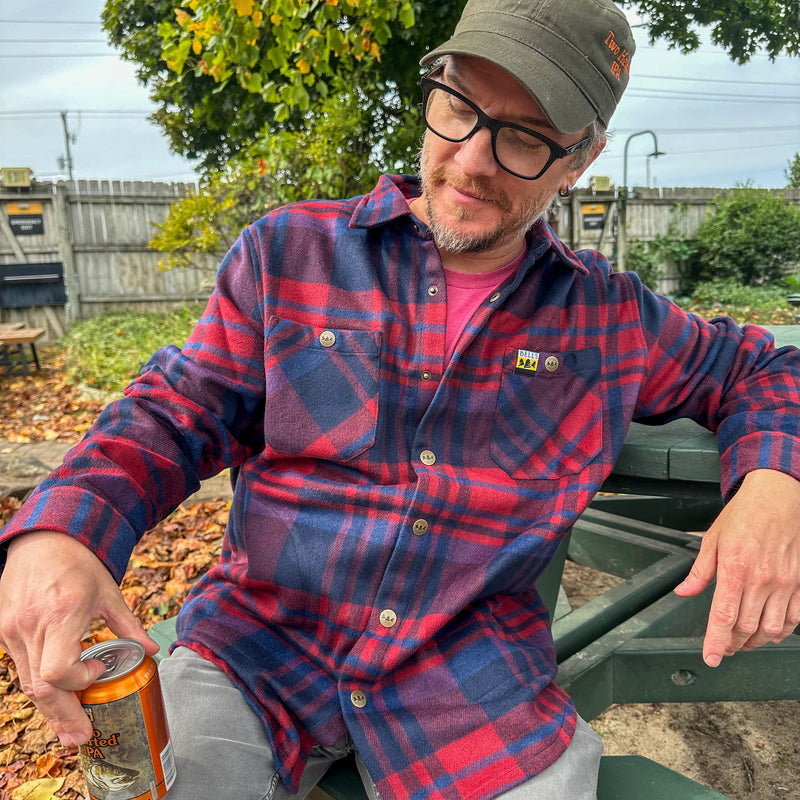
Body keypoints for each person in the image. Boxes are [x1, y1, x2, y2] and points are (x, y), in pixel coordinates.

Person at [2, 0, 800, 797]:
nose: (474, 158)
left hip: (469, 681)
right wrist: (63, 531)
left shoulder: (610, 318)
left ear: (580, 158)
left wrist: (774, 484)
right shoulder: (290, 254)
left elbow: (769, 370)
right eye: (459, 107)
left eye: (525, 135)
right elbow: (175, 410)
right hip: (255, 649)